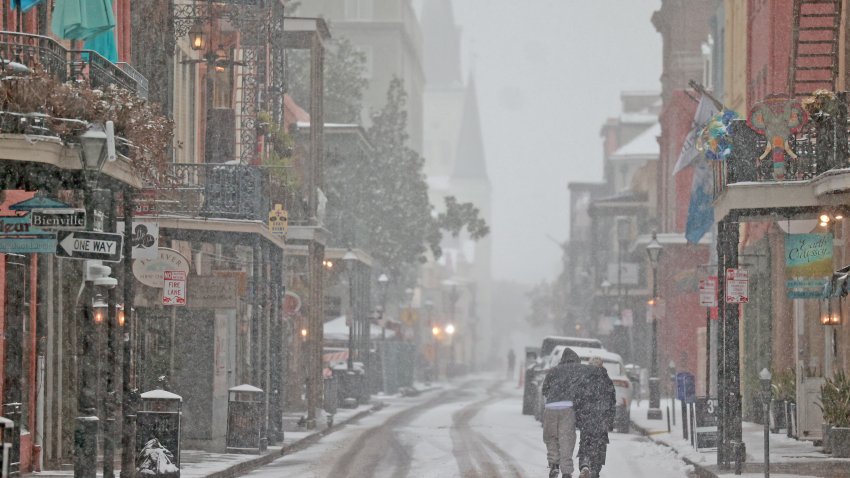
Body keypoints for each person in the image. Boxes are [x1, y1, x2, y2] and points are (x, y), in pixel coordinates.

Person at [541, 348, 587, 478]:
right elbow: (583, 391)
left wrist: (553, 396)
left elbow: (545, 389)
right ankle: (566, 471)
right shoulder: (578, 370)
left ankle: (554, 466)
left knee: (551, 437)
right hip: (568, 407)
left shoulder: (553, 370)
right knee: (566, 438)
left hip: (550, 407)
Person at [576, 356, 616, 478]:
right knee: (599, 446)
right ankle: (595, 469)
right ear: (601, 365)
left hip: (587, 419)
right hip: (602, 420)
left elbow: (578, 399)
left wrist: (578, 418)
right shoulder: (607, 380)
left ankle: (584, 465)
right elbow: (612, 403)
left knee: (585, 443)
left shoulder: (583, 379)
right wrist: (610, 421)